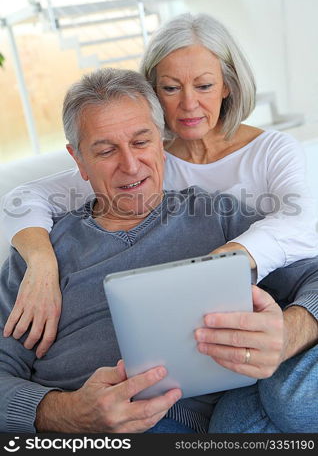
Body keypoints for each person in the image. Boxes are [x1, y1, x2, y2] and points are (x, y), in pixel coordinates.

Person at [0, 68, 317, 433]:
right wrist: (63, 412)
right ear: (79, 162)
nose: (130, 165)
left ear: (162, 143)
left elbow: (314, 273)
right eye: (105, 151)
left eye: (141, 142)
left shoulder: (218, 215)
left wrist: (290, 333)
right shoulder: (41, 251)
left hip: (211, 422)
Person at [1, 13, 317, 361]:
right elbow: (25, 197)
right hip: (212, 336)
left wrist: (226, 261)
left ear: (227, 85)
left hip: (284, 303)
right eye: (170, 88)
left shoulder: (271, 150)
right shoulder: (143, 163)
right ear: (152, 92)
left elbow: (303, 225)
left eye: (204, 85)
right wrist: (42, 262)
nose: (189, 104)